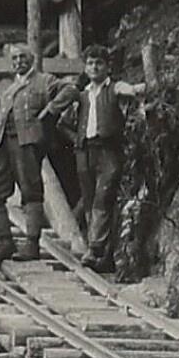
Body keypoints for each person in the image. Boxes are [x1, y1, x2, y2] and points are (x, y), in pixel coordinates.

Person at [0, 38, 53, 258]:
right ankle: (5, 241)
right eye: (14, 58)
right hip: (2, 143)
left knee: (30, 192)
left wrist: (49, 111)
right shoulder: (10, 87)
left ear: (32, 59)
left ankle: (32, 245)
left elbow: (69, 91)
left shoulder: (44, 80)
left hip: (25, 142)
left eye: (23, 57)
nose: (18, 61)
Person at [74, 36, 128, 271]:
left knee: (103, 197)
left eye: (98, 63)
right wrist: (77, 139)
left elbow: (125, 90)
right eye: (90, 63)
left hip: (108, 149)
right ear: (85, 67)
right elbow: (64, 122)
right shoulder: (82, 94)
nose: (94, 67)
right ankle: (100, 254)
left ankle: (95, 248)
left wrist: (135, 89)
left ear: (107, 66)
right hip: (85, 150)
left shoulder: (113, 88)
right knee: (88, 199)